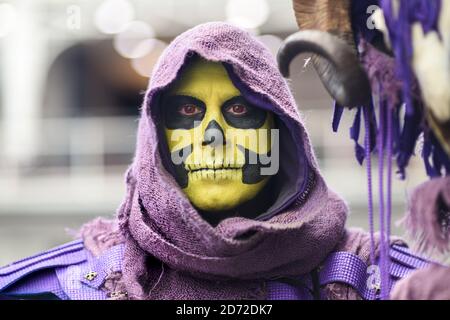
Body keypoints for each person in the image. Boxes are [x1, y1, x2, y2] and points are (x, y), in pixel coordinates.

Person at [0, 22, 430, 300]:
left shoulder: (394, 284)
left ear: (281, 131)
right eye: (187, 112)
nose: (211, 136)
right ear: (156, 138)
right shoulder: (55, 289)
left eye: (240, 110)